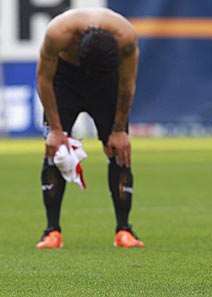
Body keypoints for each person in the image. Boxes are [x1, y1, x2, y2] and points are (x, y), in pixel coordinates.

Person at [36, 8, 143, 248]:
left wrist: (119, 130)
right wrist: (54, 130)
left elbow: (127, 82)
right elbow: (43, 79)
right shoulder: (58, 33)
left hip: (107, 83)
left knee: (121, 152)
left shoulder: (125, 38)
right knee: (54, 152)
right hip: (64, 80)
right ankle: (51, 231)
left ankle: (124, 231)